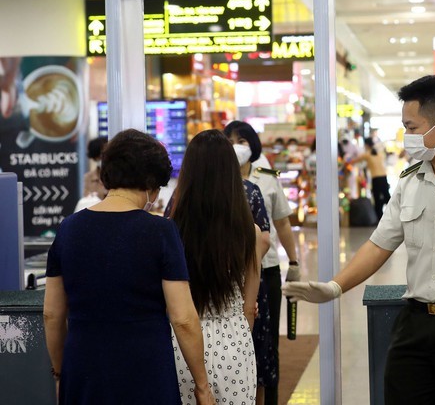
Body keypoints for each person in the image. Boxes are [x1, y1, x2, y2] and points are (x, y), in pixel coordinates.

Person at [284, 75, 435, 404]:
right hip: (415, 323)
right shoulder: (409, 182)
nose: (407, 137)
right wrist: (335, 287)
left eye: (412, 127)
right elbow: (379, 245)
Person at [43, 129, 216, 405]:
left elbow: (52, 314)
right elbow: (183, 319)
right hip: (146, 368)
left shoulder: (68, 229)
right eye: (158, 188)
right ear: (150, 182)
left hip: (84, 366)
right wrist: (202, 386)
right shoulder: (160, 232)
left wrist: (60, 372)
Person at [169, 129, 269, 404]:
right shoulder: (250, 232)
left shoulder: (172, 231)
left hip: (181, 344)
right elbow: (250, 306)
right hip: (234, 342)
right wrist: (239, 328)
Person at [226, 120, 301, 405]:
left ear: (253, 145)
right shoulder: (219, 178)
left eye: (242, 141)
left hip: (266, 270)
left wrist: (293, 261)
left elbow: (282, 222)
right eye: (231, 140)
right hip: (229, 274)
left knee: (267, 342)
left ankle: (270, 399)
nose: (237, 147)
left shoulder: (267, 178)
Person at [351, 137, 391, 219]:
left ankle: (379, 219)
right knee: (387, 198)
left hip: (376, 179)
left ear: (366, 145)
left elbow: (354, 161)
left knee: (377, 199)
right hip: (383, 177)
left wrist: (346, 161)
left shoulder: (367, 154)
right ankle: (394, 216)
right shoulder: (379, 153)